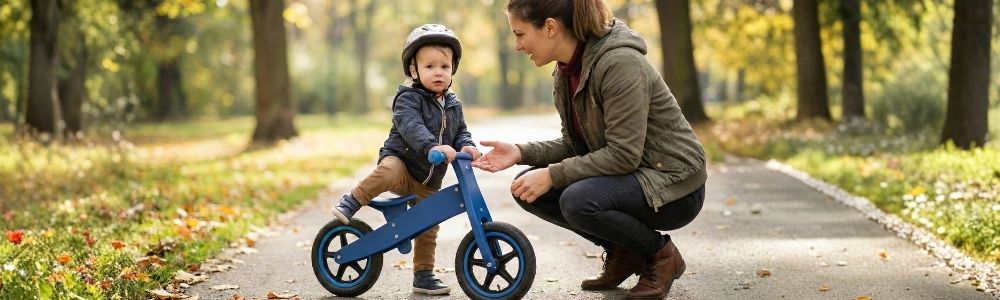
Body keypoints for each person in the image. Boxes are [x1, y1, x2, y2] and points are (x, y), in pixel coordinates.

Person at [472, 1, 706, 299]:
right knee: (529, 188)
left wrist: (554, 175)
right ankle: (623, 251)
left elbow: (623, 154)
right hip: (636, 176)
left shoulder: (620, 64)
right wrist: (520, 152)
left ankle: (661, 256)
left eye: (520, 34)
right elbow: (577, 145)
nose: (517, 46)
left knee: (576, 199)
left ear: (550, 27)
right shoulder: (567, 72)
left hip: (674, 186)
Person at [329, 23, 481, 296]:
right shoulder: (407, 98)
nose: (438, 72)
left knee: (429, 226)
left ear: (452, 70)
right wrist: (432, 147)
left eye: (444, 67)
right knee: (388, 170)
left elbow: (460, 132)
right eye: (430, 66)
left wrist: (467, 146)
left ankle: (423, 275)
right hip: (403, 162)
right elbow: (411, 128)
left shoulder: (453, 103)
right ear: (414, 70)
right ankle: (353, 200)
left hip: (429, 176)